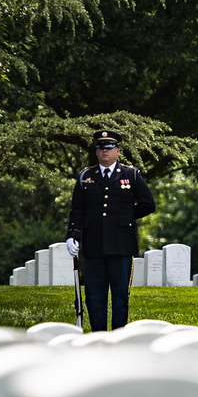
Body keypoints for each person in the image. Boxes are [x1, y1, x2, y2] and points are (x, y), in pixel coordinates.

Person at [65, 130, 155, 331]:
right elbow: (77, 209)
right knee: (95, 296)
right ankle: (98, 335)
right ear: (96, 152)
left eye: (109, 148)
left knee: (120, 295)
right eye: (100, 148)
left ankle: (118, 336)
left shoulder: (131, 174)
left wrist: (126, 217)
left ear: (118, 151)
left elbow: (148, 204)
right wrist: (72, 234)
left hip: (122, 245)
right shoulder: (85, 176)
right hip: (94, 244)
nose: (104, 151)